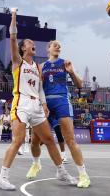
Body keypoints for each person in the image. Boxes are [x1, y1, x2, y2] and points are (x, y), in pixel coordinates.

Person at [0, 9, 76, 191]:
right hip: (21, 103)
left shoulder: (37, 67)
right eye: (29, 43)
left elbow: (39, 89)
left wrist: (44, 104)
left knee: (48, 139)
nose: (32, 44)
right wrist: (13, 15)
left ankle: (61, 171)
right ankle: (2, 177)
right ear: (24, 48)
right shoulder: (18, 61)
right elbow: (13, 37)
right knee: (18, 140)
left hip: (36, 105)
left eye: (32, 43)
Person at [27, 39, 90, 188]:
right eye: (55, 45)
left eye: (59, 46)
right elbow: (37, 88)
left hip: (62, 101)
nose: (58, 47)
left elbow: (80, 85)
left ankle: (83, 175)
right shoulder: (41, 66)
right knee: (35, 140)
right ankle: (36, 164)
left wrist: (72, 72)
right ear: (48, 49)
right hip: (45, 104)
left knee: (70, 139)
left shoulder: (65, 63)